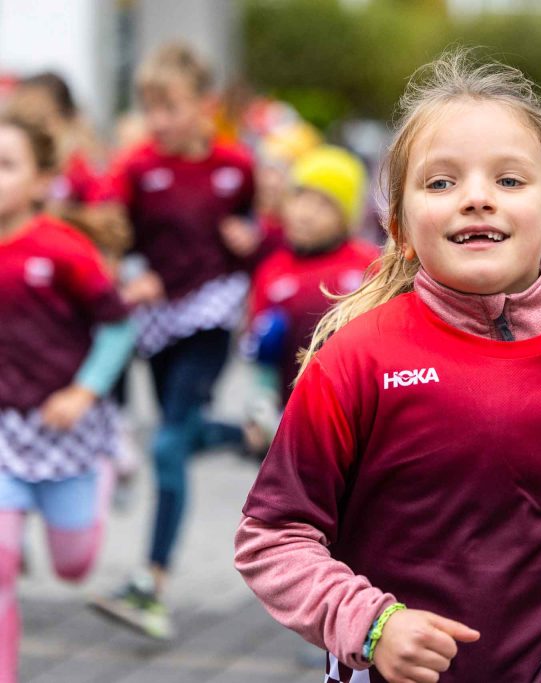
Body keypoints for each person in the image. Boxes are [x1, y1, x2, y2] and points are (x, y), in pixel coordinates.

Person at [235, 51, 541, 683]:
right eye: (441, 183)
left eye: (509, 181)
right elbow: (273, 534)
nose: (476, 198)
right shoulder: (355, 361)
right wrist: (370, 623)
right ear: (401, 229)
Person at [88, 42, 255, 639]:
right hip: (158, 318)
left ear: (205, 105)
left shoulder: (236, 166)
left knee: (166, 444)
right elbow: (109, 233)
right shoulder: (135, 167)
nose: (158, 119)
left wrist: (251, 239)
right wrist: (126, 271)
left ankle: (151, 583)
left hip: (210, 312)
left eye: (170, 106)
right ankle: (252, 434)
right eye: (149, 107)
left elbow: (260, 232)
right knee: (175, 440)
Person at [0, 113, 136, 683]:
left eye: (6, 165)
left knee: (72, 566)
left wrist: (83, 391)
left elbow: (119, 327)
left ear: (40, 182)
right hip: (4, 432)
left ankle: (105, 471)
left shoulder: (62, 249)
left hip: (67, 430)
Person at [243, 145, 378, 447]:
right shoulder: (272, 271)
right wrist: (257, 412)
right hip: (290, 420)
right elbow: (261, 354)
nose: (306, 213)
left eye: (323, 204)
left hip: (355, 421)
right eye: (300, 197)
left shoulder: (370, 266)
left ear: (346, 217)